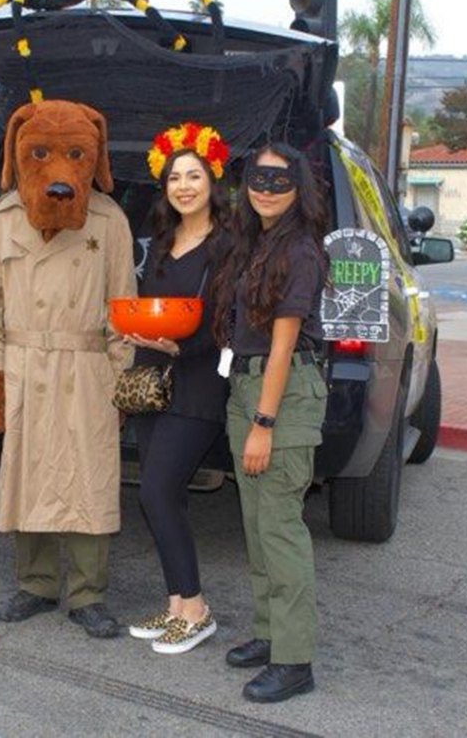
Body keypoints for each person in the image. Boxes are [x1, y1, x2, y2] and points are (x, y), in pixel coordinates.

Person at [0, 100, 136, 639]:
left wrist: (122, 384)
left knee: (90, 478)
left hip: (87, 366)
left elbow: (124, 311)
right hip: (22, 363)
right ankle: (35, 583)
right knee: (27, 473)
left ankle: (89, 592)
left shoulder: (109, 221)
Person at [210, 142, 329, 703]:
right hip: (248, 385)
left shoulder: (299, 251)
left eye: (279, 181)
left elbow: (282, 348)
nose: (265, 188)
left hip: (281, 395)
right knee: (257, 526)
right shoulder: (256, 243)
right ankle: (268, 632)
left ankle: (294, 659)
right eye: (258, 179)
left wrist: (264, 422)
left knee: (280, 530)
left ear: (298, 187)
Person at [125, 122, 231, 655]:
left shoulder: (228, 246)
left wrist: (180, 350)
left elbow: (230, 322)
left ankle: (198, 609)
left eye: (194, 175)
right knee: (162, 496)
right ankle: (177, 607)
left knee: (156, 491)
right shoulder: (163, 241)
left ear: (213, 180)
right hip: (151, 382)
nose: (184, 185)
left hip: (198, 384)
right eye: (174, 178)